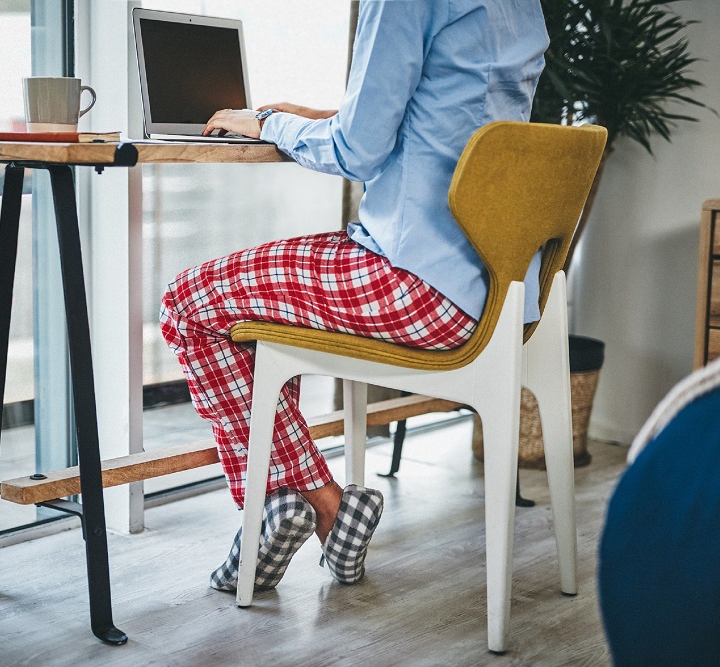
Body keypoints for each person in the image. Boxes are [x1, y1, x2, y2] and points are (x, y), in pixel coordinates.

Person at [160, 0, 549, 592]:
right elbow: (443, 117)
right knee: (250, 305)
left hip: (416, 283)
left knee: (189, 303)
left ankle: (309, 502)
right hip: (498, 290)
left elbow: (358, 153)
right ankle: (310, 503)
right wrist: (307, 116)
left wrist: (268, 125)